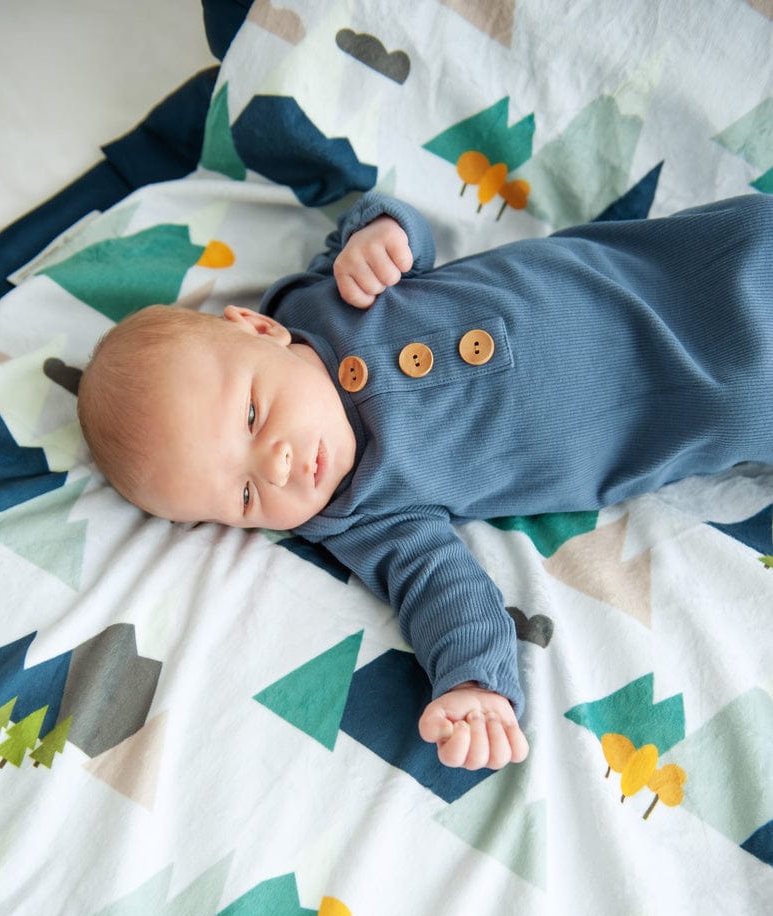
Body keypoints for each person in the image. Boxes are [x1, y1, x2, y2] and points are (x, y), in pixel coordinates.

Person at [77, 191, 773, 772]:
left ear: (260, 328)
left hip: (672, 267)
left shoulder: (324, 296)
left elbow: (396, 230)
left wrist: (380, 235)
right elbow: (442, 591)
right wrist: (473, 684)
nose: (279, 465)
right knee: (745, 394)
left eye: (254, 417)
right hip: (701, 402)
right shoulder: (364, 515)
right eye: (246, 496)